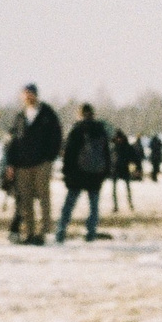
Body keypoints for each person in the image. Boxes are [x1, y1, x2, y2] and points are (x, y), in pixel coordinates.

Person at [4, 85, 61, 245]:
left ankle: (43, 233)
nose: (28, 97)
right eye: (26, 94)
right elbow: (12, 141)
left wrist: (49, 157)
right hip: (22, 164)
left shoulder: (47, 114)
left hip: (42, 163)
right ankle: (29, 233)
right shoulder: (20, 116)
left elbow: (57, 136)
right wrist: (10, 163)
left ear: (36, 95)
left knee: (43, 197)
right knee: (25, 199)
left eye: (31, 94)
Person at [57, 103, 113, 242]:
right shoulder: (101, 129)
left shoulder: (77, 129)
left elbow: (69, 152)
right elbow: (107, 153)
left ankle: (61, 231)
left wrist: (66, 172)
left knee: (69, 205)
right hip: (95, 175)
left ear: (80, 114)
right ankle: (91, 233)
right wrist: (105, 172)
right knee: (94, 206)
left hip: (77, 174)